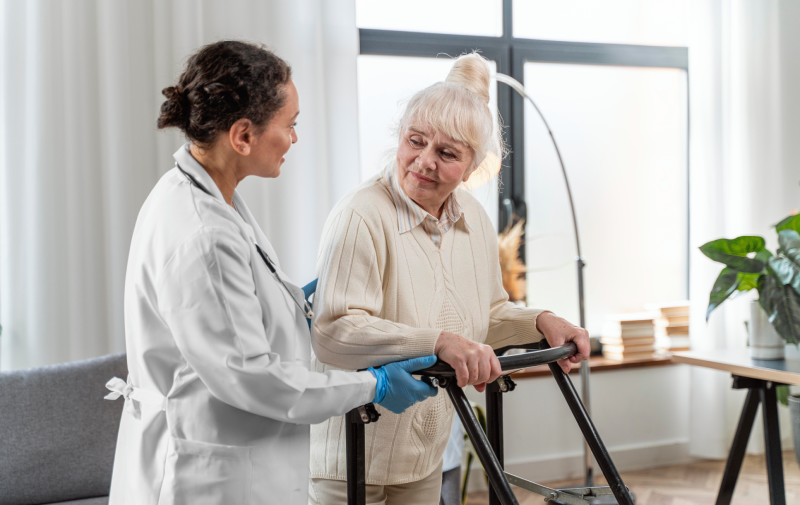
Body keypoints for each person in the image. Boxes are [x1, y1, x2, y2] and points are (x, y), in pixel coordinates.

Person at [104, 41, 437, 505]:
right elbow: (253, 378)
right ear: (243, 136)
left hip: (221, 452)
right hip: (210, 477)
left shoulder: (200, 193)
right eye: (290, 125)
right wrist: (373, 385)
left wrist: (290, 300)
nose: (296, 138)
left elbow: (223, 313)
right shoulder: (204, 233)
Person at [308, 53, 591, 504]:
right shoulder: (361, 214)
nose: (423, 162)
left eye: (446, 154)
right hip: (352, 455)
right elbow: (335, 331)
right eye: (414, 141)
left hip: (424, 455)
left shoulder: (474, 221)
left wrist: (541, 321)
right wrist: (438, 341)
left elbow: (488, 315)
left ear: (473, 164)